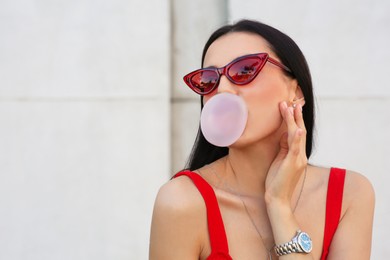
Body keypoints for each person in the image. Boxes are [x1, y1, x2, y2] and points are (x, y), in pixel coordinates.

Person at [149, 19, 375, 259]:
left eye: (245, 70)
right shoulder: (180, 203)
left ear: (295, 91)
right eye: (208, 80)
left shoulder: (350, 195)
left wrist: (279, 206)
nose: (222, 90)